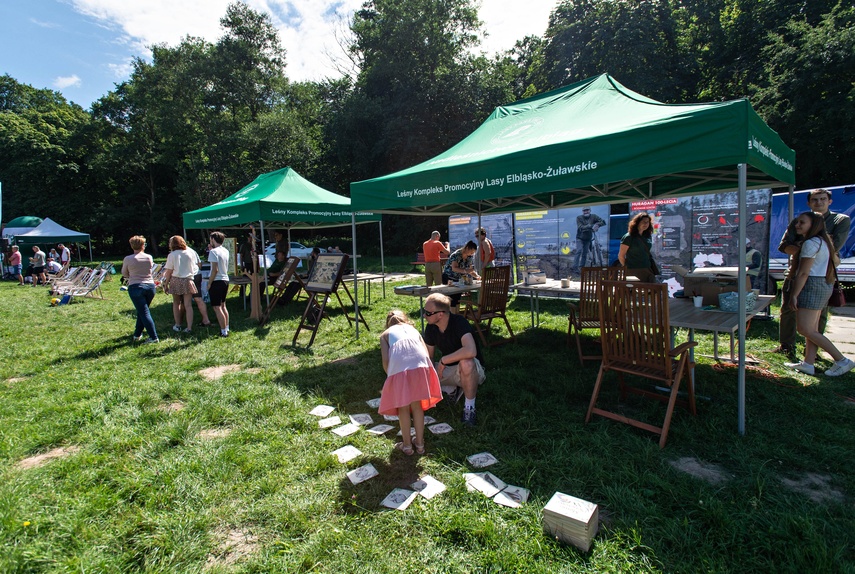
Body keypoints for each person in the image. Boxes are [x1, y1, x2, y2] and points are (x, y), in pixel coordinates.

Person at [776, 188, 851, 356]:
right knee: (788, 309)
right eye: (815, 200)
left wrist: (805, 247)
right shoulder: (799, 220)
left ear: (829, 201)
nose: (819, 203)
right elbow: (783, 245)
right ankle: (787, 346)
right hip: (796, 271)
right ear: (809, 203)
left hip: (820, 276)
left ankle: (816, 353)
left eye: (823, 199)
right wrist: (807, 249)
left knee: (817, 317)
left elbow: (834, 247)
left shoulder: (840, 220)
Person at [784, 212, 855, 377]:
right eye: (797, 222)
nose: (797, 225)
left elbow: (803, 273)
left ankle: (842, 360)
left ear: (813, 225)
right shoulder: (823, 241)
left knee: (805, 329)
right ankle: (808, 363)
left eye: (802, 222)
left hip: (812, 285)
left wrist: (794, 294)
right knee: (813, 329)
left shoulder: (810, 243)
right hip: (822, 284)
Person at [379, 310, 442, 455]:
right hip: (421, 367)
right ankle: (420, 444)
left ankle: (407, 445)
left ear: (388, 323)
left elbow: (385, 361)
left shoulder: (385, 335)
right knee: (417, 406)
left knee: (403, 408)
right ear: (405, 320)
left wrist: (391, 378)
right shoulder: (413, 330)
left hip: (400, 371)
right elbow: (425, 352)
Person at [422, 293, 486, 426]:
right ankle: (451, 389)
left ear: (440, 314)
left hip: (472, 371)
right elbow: (429, 356)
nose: (424, 315)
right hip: (448, 369)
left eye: (428, 313)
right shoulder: (431, 327)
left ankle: (469, 408)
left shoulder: (459, 322)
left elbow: (471, 350)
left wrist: (444, 360)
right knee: (421, 369)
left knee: (466, 362)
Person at [121, 235, 158, 343]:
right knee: (142, 311)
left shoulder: (128, 259)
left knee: (144, 312)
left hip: (136, 286)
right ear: (143, 246)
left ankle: (153, 337)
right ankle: (137, 334)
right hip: (150, 286)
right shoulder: (149, 257)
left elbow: (124, 273)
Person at [163, 235, 201, 333]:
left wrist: (165, 284)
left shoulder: (172, 255)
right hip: (188, 280)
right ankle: (189, 327)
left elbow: (169, 271)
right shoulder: (189, 253)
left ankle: (178, 324)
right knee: (188, 305)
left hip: (176, 280)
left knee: (176, 303)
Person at [442, 241, 480, 313]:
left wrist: (477, 276)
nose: (472, 254)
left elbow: (470, 270)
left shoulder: (469, 257)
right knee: (452, 299)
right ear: (467, 248)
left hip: (457, 279)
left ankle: (456, 315)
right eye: (471, 252)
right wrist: (466, 271)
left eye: (473, 252)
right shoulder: (457, 255)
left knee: (457, 298)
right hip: (448, 277)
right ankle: (452, 317)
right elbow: (454, 268)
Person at [618, 212, 657, 282]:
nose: (645, 224)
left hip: (647, 269)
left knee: (652, 291)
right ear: (637, 223)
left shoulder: (647, 236)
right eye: (643, 222)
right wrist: (628, 267)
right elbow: (621, 256)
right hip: (633, 270)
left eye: (647, 222)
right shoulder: (628, 237)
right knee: (634, 292)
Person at [207, 231, 231, 337]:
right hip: (225, 279)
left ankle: (223, 331)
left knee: (217, 307)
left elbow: (214, 270)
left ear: (213, 239)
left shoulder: (213, 252)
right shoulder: (225, 250)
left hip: (217, 281)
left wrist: (209, 283)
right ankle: (226, 327)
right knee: (223, 305)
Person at [572, 207, 606, 273]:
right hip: (580, 238)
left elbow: (603, 222)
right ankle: (575, 267)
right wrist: (591, 226)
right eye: (584, 211)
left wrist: (597, 225)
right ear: (582, 212)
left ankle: (582, 267)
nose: (586, 212)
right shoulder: (579, 218)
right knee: (579, 251)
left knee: (585, 253)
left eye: (587, 210)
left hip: (588, 238)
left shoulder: (594, 216)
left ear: (590, 211)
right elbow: (580, 227)